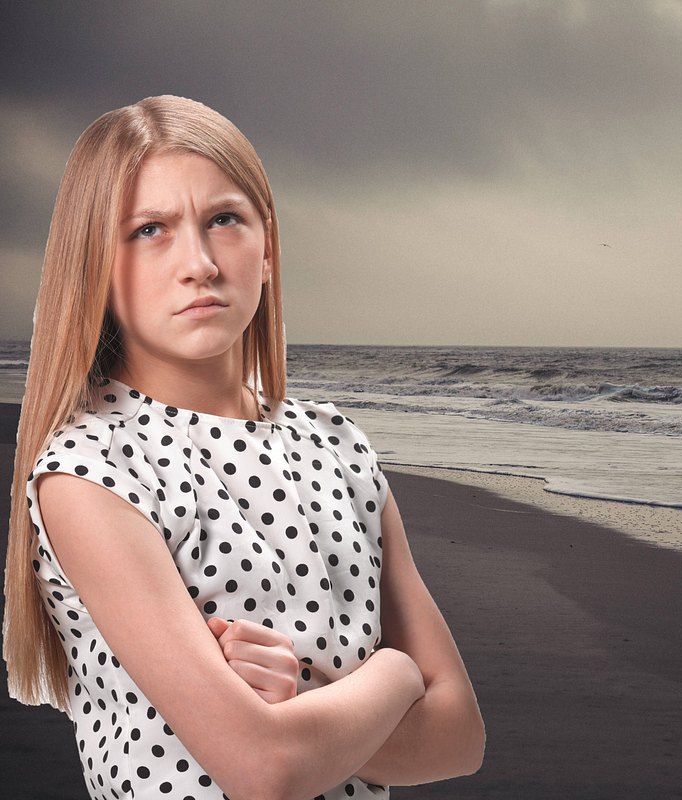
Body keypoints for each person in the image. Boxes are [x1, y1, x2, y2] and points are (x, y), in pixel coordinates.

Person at [2, 95, 484, 799]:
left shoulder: (337, 447)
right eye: (149, 230)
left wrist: (299, 715)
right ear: (93, 266)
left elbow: (459, 737)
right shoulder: (92, 470)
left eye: (223, 219)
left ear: (267, 249)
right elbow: (264, 769)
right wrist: (396, 675)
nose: (198, 263)